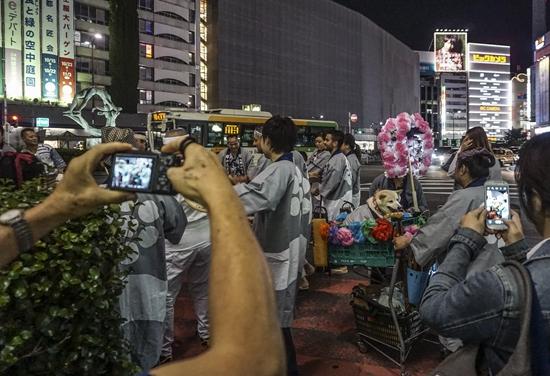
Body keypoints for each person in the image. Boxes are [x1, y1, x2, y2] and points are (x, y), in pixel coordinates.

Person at [0, 140, 285, 376]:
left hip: (115, 298)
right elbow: (255, 361)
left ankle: (165, 349)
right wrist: (221, 196)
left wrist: (52, 208)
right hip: (167, 269)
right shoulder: (158, 197)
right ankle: (171, 347)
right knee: (178, 300)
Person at [420, 134, 550, 374]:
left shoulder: (505, 286)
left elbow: (434, 310)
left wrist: (465, 239)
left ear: (536, 201)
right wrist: (518, 253)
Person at [394, 148, 504, 352]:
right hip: (497, 265)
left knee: (453, 323)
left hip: (470, 267)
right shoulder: (497, 191)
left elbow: (440, 229)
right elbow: (499, 231)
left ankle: (457, 360)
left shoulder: (464, 197)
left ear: (463, 169)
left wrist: (410, 241)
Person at [234, 115, 310, 376]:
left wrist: (216, 192)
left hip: (279, 251)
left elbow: (257, 196)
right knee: (278, 319)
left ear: (268, 140)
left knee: (273, 320)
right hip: (292, 247)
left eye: (259, 138)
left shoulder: (280, 170)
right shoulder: (295, 169)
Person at [315, 130, 352, 221]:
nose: (324, 142)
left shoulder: (337, 159)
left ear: (335, 143)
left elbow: (331, 183)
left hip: (336, 204)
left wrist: (317, 190)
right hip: (338, 201)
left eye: (327, 140)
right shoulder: (337, 157)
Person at [306, 132, 330, 210]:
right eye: (316, 142)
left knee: (316, 207)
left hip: (316, 184)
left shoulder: (327, 154)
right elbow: (307, 163)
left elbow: (318, 170)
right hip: (309, 181)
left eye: (319, 142)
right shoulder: (316, 151)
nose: (317, 144)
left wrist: (306, 173)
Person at [342, 134, 361, 208]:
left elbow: (351, 181)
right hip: (351, 194)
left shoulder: (351, 160)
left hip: (351, 196)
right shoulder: (349, 157)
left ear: (347, 145)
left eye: (341, 142)